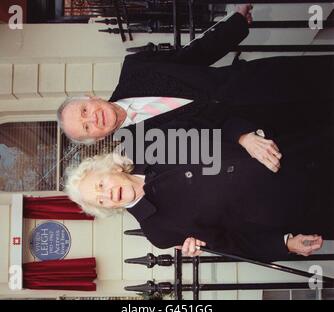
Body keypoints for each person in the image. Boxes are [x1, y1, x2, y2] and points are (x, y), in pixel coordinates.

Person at [57, 4, 334, 174]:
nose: (92, 118)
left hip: (258, 80)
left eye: (84, 111)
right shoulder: (141, 149)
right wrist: (241, 137)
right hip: (261, 130)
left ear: (91, 97)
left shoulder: (134, 68)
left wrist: (235, 24)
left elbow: (192, 56)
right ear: (95, 139)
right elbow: (205, 146)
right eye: (87, 127)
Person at [65, 125, 334, 262]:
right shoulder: (157, 231)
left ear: (109, 167)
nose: (108, 196)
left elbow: (213, 123)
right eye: (100, 201)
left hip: (296, 153)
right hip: (300, 208)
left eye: (101, 186)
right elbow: (231, 243)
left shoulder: (150, 146)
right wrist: (284, 243)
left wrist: (243, 136)